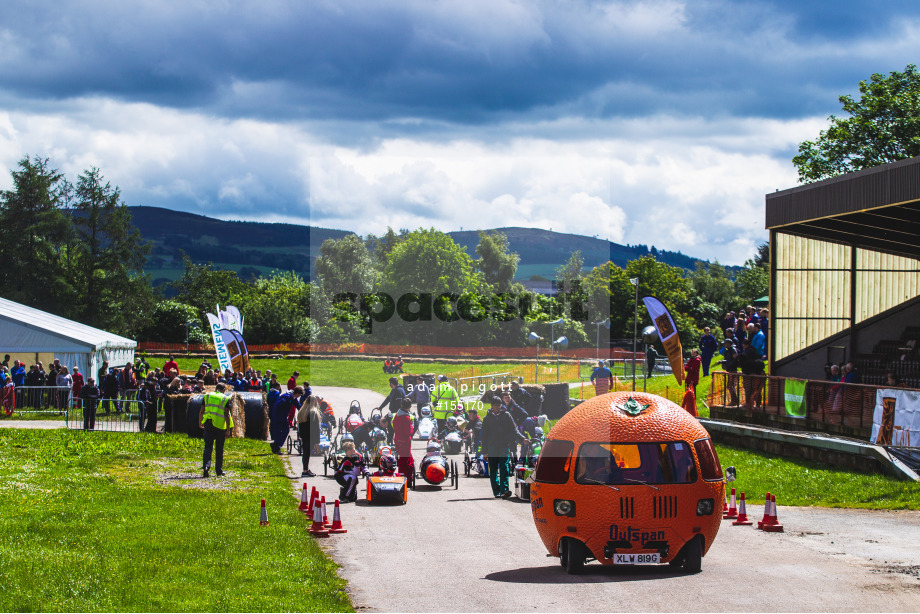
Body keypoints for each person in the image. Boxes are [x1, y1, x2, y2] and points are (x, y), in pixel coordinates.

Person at [480, 397, 528, 499]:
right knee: (493, 470)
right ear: (492, 406)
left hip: (504, 446)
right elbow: (483, 436)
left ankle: (504, 490)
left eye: (500, 405)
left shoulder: (506, 416)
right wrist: (484, 451)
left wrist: (523, 439)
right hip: (492, 447)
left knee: (504, 468)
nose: (499, 407)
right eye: (496, 405)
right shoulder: (487, 419)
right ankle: (496, 491)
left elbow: (514, 430)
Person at [199, 383, 233, 478]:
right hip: (220, 425)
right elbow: (227, 414)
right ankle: (219, 470)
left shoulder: (207, 395)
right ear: (224, 390)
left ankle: (206, 467)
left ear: (216, 388)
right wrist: (228, 429)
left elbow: (202, 410)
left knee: (208, 447)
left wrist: (200, 421)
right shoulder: (225, 398)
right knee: (219, 448)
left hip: (208, 424)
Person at [270, 386, 301, 454]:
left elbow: (298, 406)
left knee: (286, 430)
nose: (299, 397)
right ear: (297, 393)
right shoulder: (286, 397)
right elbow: (278, 405)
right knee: (278, 432)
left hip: (283, 417)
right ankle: (277, 447)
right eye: (299, 395)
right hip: (278, 416)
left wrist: (304, 411)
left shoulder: (293, 398)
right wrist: (282, 413)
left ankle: (276, 445)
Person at [296, 395, 322, 477]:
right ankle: (305, 470)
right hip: (311, 436)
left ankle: (305, 469)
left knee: (305, 453)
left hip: (304, 435)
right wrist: (317, 440)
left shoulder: (302, 411)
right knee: (307, 453)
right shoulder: (313, 412)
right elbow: (315, 428)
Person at [739, 339, 765, 409]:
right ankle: (754, 404)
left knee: (753, 389)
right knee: (752, 389)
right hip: (754, 372)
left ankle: (754, 404)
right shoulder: (750, 351)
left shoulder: (749, 352)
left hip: (754, 373)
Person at [393, 398, 415, 477]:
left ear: (401, 405)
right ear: (410, 406)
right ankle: (405, 477)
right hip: (405, 440)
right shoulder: (406, 417)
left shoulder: (397, 415)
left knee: (405, 458)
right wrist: (412, 426)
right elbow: (408, 432)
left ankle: (407, 474)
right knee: (405, 461)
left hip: (397, 438)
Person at [718, 338, 740, 405]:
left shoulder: (733, 349)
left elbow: (735, 358)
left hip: (732, 370)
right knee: (731, 385)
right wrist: (722, 362)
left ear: (728, 343)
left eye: (725, 343)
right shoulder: (728, 350)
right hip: (729, 370)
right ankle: (734, 400)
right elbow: (728, 359)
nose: (724, 345)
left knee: (730, 385)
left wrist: (730, 364)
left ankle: (735, 400)